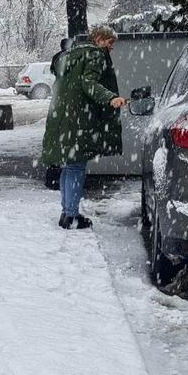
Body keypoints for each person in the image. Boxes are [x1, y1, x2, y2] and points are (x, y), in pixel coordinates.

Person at [41, 25, 125, 229]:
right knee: (76, 167)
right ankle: (71, 215)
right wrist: (111, 98)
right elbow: (89, 84)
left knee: (68, 166)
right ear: (97, 38)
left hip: (62, 118)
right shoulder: (94, 55)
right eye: (109, 41)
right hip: (80, 118)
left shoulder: (69, 55)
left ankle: (66, 213)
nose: (111, 46)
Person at [44, 37, 74, 190]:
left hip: (57, 104)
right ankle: (58, 177)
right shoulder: (69, 60)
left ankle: (52, 175)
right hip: (64, 105)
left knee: (54, 139)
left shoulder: (57, 60)